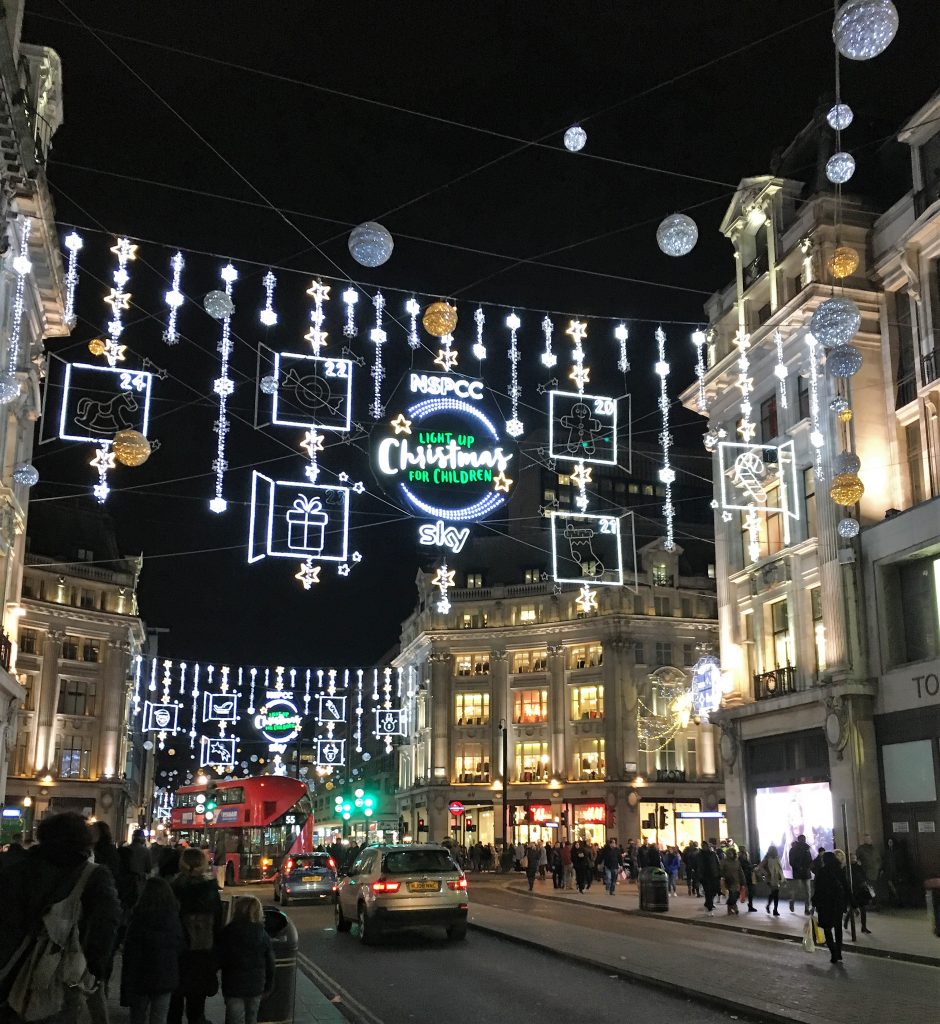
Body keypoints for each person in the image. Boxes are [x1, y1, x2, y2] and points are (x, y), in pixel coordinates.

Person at [0, 811, 121, 1021]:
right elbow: (105, 926)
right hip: (61, 972)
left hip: (10, 966)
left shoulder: (15, 869)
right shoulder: (93, 875)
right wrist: (96, 968)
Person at [169, 847, 223, 1024]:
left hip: (177, 951)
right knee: (197, 1005)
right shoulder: (210, 890)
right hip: (202, 953)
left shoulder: (173, 888)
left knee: (174, 1005)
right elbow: (218, 924)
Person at [121, 876, 185, 1024]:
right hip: (165, 976)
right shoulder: (173, 918)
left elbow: (131, 952)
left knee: (137, 1016)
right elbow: (180, 945)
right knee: (159, 1017)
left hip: (140, 977)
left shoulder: (138, 919)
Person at [216, 896, 274, 1024]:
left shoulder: (228, 932)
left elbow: (219, 959)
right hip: (255, 986)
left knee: (235, 1019)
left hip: (233, 986)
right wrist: (268, 986)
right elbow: (270, 963)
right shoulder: (262, 934)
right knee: (252, 1018)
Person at [812, 851, 848, 964]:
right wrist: (851, 902)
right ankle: (839, 952)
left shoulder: (822, 872)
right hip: (837, 903)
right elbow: (846, 886)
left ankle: (833, 953)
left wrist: (814, 903)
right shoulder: (840, 871)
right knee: (838, 928)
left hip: (825, 904)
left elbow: (818, 889)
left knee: (827, 928)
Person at [844, 852, 872, 934]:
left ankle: (864, 927)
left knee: (863, 910)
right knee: (853, 908)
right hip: (854, 891)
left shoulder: (859, 867)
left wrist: (865, 883)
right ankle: (846, 921)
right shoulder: (847, 868)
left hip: (861, 891)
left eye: (855, 858)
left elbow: (864, 876)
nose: (854, 859)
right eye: (852, 858)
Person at [788, 833, 813, 914]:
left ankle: (806, 908)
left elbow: (809, 860)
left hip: (801, 872)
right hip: (801, 872)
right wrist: (802, 867)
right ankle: (793, 902)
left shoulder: (804, 848)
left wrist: (801, 867)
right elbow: (792, 861)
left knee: (805, 891)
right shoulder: (800, 848)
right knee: (802, 891)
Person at [697, 839, 721, 915]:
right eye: (703, 846)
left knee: (714, 891)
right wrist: (699, 876)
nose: (704, 847)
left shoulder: (713, 854)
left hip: (714, 875)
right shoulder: (699, 855)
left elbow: (717, 864)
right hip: (705, 876)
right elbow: (697, 866)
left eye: (705, 846)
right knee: (708, 892)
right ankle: (710, 909)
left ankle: (707, 904)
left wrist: (719, 873)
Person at [759, 844, 784, 915]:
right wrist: (766, 873)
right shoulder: (767, 858)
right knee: (775, 893)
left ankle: (771, 907)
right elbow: (760, 866)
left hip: (776, 878)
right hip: (769, 879)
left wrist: (782, 877)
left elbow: (780, 868)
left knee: (774, 894)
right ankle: (774, 909)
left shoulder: (777, 858)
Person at [721, 848, 745, 915]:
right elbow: (721, 870)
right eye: (728, 853)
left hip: (737, 880)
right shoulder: (724, 861)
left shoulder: (737, 861)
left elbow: (740, 871)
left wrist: (743, 880)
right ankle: (734, 907)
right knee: (732, 895)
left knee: (736, 894)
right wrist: (723, 877)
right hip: (728, 881)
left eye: (730, 853)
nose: (729, 855)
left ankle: (729, 908)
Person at [738, 846, 757, 912]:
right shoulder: (741, 858)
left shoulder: (743, 857)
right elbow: (745, 867)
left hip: (747, 876)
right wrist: (752, 866)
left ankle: (750, 905)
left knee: (750, 892)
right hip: (745, 877)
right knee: (749, 891)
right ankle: (750, 905)